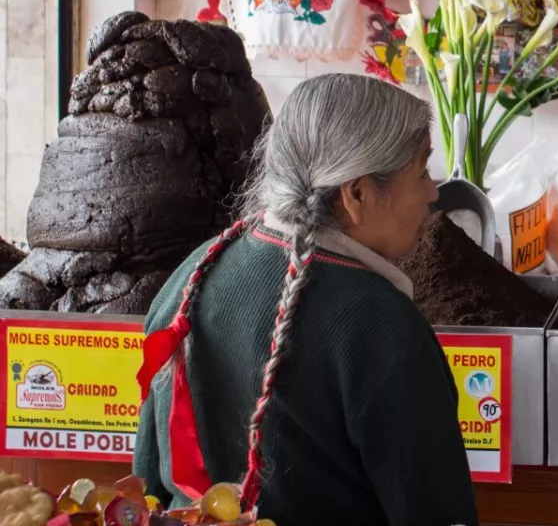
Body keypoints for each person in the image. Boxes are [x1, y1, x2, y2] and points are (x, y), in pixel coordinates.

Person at [134, 74, 478, 525]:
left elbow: (145, 491)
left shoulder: (193, 274)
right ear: (356, 194)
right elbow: (435, 511)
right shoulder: (381, 326)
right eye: (421, 171)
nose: (433, 193)